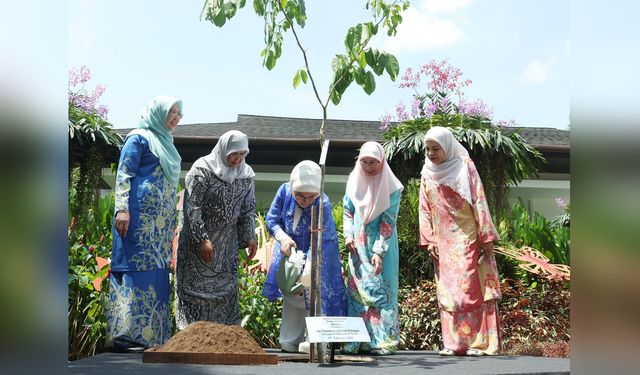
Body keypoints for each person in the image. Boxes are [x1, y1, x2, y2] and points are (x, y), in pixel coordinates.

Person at [418, 126, 501, 356]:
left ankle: (478, 343)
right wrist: (429, 239)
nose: (431, 153)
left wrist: (485, 237)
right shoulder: (426, 172)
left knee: (470, 288)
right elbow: (424, 209)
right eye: (428, 149)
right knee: (447, 291)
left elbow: (479, 200)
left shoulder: (465, 166)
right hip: (441, 241)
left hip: (467, 237)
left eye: (436, 148)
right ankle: (453, 343)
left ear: (448, 146)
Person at [107, 95, 183, 350]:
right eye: (170, 112)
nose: (174, 118)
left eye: (178, 114)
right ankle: (127, 336)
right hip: (137, 219)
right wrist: (121, 210)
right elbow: (124, 173)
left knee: (156, 271)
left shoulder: (167, 143)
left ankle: (154, 337)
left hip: (159, 226)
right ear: (157, 113)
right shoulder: (138, 137)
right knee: (134, 268)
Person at [262, 161, 347, 353]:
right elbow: (272, 219)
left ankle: (314, 339)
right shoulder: (284, 191)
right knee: (291, 294)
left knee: (310, 292)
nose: (305, 201)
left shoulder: (322, 202)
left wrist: (309, 266)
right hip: (288, 251)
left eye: (311, 196)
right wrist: (283, 238)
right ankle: (289, 338)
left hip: (316, 253)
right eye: (299, 195)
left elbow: (321, 238)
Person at [175, 130, 258, 328]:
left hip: (226, 246)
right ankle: (191, 336)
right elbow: (192, 208)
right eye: (234, 154)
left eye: (243, 154)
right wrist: (202, 239)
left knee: (226, 292)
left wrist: (250, 236)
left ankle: (225, 337)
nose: (238, 159)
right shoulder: (201, 170)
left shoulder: (246, 175)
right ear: (223, 150)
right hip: (198, 247)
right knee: (195, 292)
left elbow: (248, 208)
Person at [342, 142, 404, 356]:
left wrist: (379, 251)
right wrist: (348, 234)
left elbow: (388, 221)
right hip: (357, 246)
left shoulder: (392, 187)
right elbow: (348, 211)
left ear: (382, 161)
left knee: (381, 292)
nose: (368, 166)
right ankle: (356, 341)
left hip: (382, 247)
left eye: (373, 162)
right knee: (357, 291)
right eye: (364, 162)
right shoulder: (353, 180)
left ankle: (383, 340)